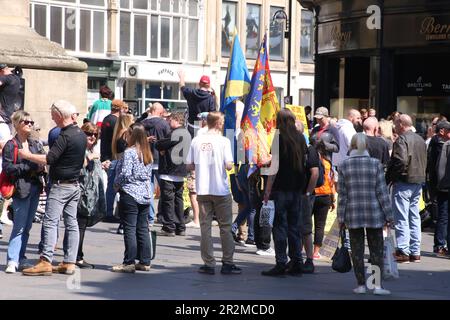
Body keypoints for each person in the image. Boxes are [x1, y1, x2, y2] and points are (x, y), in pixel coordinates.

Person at [21, 100, 87, 276]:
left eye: (52, 113)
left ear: (59, 114)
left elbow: (50, 158)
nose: (51, 116)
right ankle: (70, 261)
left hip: (60, 186)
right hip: (74, 184)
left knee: (50, 222)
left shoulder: (64, 136)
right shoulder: (80, 134)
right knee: (71, 223)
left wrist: (27, 155)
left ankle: (45, 261)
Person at [337, 133, 393, 295]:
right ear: (366, 146)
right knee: (376, 251)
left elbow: (343, 195)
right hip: (374, 213)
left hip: (353, 214)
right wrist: (389, 216)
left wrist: (341, 218)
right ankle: (376, 286)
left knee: (357, 250)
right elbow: (382, 193)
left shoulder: (344, 165)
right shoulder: (375, 164)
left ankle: (361, 285)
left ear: (352, 146)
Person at [186, 111, 241, 275]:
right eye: (222, 121)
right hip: (220, 189)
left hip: (203, 189)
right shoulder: (223, 141)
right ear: (218, 123)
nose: (223, 124)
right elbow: (229, 165)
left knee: (205, 227)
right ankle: (228, 262)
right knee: (225, 227)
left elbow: (189, 165)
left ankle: (209, 263)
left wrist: (201, 163)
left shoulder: (196, 140)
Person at [262, 109, 307, 277]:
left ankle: (281, 262)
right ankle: (296, 262)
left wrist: (267, 190)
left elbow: (274, 167)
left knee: (280, 227)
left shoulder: (279, 138)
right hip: (296, 189)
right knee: (294, 227)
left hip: (281, 189)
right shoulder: (300, 137)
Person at [3, 111, 46, 273]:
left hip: (35, 187)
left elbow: (42, 161)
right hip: (21, 188)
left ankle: (21, 257)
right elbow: (7, 168)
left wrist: (41, 167)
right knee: (19, 226)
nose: (29, 124)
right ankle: (12, 260)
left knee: (27, 226)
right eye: (26, 122)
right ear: (17, 124)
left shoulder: (35, 143)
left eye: (31, 122)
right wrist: (29, 165)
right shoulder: (11, 144)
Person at [112, 123, 153, 273]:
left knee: (129, 227)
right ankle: (145, 260)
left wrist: (116, 184)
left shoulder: (129, 152)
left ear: (132, 135)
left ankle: (129, 261)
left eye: (128, 134)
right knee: (142, 227)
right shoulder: (147, 152)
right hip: (144, 193)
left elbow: (126, 173)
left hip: (130, 192)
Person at [386, 114, 427, 263]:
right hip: (417, 181)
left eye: (396, 124)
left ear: (401, 124)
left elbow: (400, 161)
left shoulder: (402, 139)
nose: (395, 127)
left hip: (404, 180)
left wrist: (391, 178)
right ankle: (415, 251)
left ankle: (403, 250)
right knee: (414, 216)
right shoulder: (420, 139)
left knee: (402, 217)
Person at [76, 122, 106, 269]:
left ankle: (77, 254)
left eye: (95, 134)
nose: (92, 137)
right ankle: (77, 257)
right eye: (89, 134)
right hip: (80, 195)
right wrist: (91, 158)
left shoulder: (90, 150)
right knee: (79, 226)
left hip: (89, 196)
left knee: (81, 226)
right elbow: (78, 168)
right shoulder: (80, 149)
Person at [155, 112, 188, 237]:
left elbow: (160, 144)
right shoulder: (186, 133)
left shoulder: (175, 133)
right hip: (180, 170)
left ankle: (169, 226)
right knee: (178, 199)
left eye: (170, 120)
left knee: (168, 200)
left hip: (169, 170)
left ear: (175, 120)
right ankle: (180, 226)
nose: (169, 123)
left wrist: (160, 146)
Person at [139, 102, 171, 226]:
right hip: (160, 159)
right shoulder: (164, 124)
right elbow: (169, 140)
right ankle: (162, 216)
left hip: (146, 159)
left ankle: (150, 218)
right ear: (160, 112)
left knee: (148, 189)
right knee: (165, 189)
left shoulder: (142, 124)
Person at [296, 121, 319, 273]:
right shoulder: (290, 148)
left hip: (303, 194)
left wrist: (308, 192)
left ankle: (308, 259)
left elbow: (315, 173)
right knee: (294, 228)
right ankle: (297, 258)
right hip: (292, 193)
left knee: (305, 228)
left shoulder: (309, 150)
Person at [310, 132, 336, 260]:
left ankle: (303, 248)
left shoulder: (310, 160)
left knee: (305, 223)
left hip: (312, 193)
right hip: (325, 195)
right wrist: (333, 198)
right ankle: (316, 252)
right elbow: (331, 181)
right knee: (320, 225)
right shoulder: (327, 162)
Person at [100, 99, 128, 222]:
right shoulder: (116, 122)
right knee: (114, 186)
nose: (126, 111)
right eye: (124, 108)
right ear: (120, 108)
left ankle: (108, 211)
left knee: (111, 186)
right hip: (114, 157)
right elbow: (118, 141)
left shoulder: (106, 119)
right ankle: (109, 213)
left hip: (107, 155)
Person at [427, 120, 450, 256]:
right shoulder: (440, 144)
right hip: (443, 185)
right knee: (443, 215)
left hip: (441, 185)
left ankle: (441, 244)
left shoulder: (436, 143)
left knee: (444, 215)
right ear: (442, 131)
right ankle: (440, 245)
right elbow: (439, 168)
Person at [111, 113, 134, 234]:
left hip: (118, 162)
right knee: (125, 195)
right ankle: (123, 224)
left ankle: (122, 223)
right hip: (123, 164)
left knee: (121, 195)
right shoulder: (126, 133)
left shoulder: (117, 132)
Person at [178, 69, 216, 137]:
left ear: (199, 84)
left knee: (191, 146)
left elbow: (182, 87)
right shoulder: (210, 98)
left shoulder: (191, 93)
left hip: (191, 126)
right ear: (209, 85)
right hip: (203, 128)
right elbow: (212, 115)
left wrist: (181, 77)